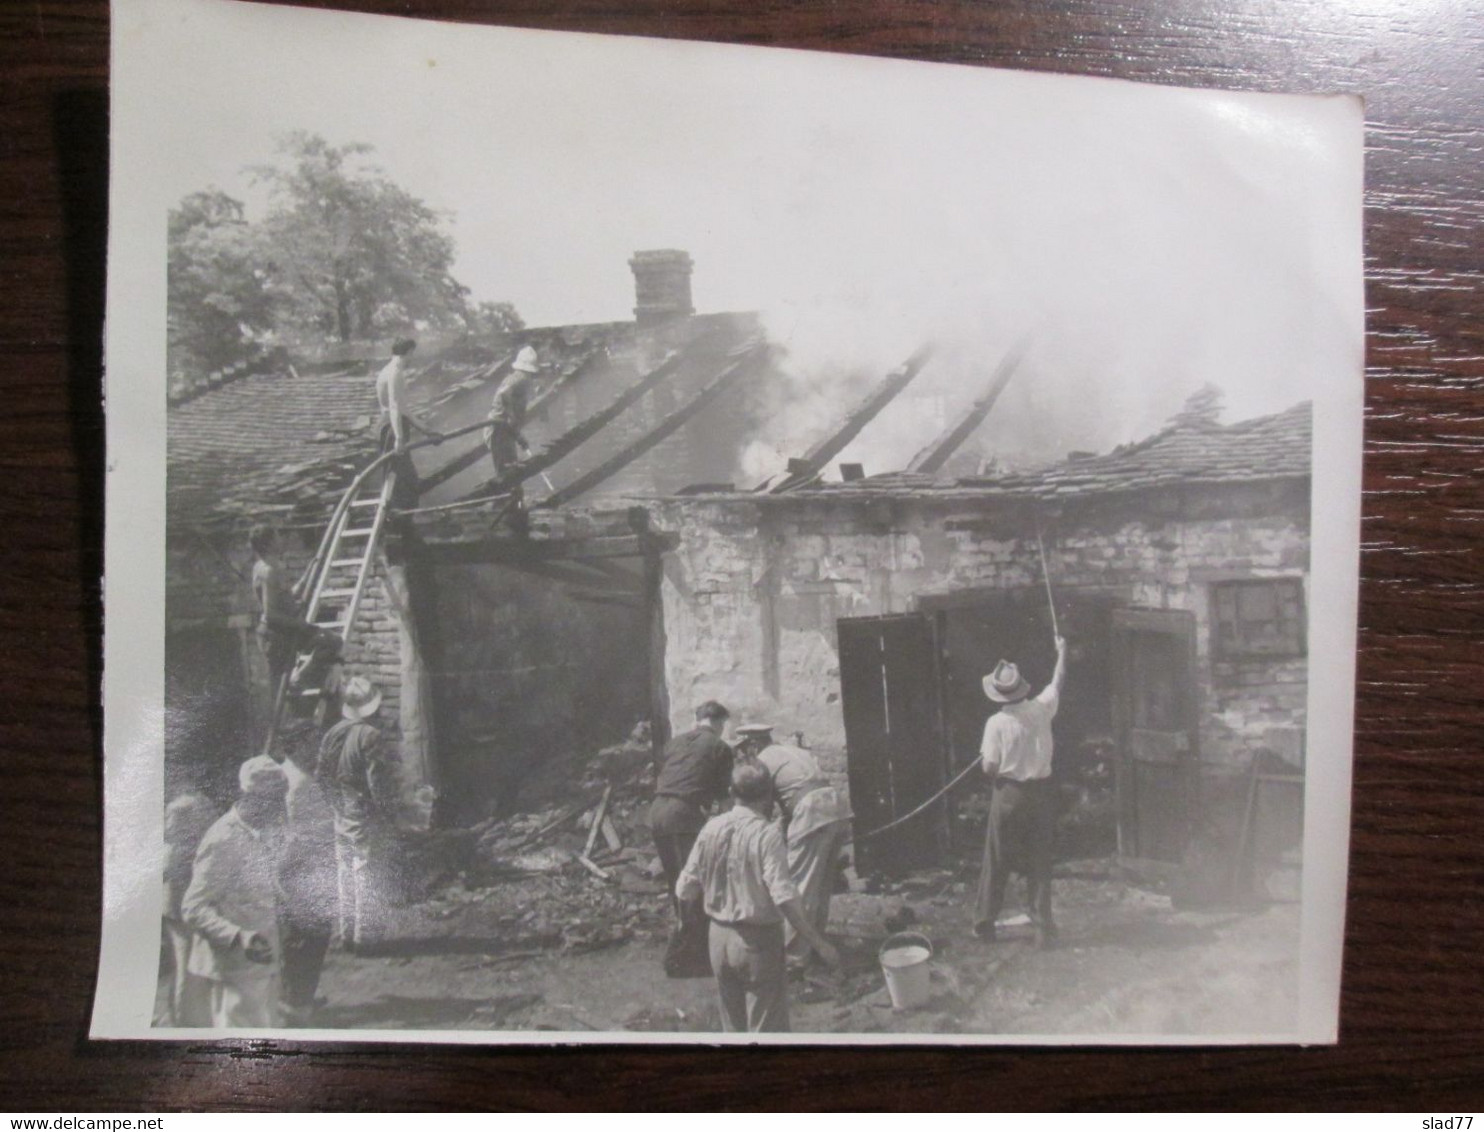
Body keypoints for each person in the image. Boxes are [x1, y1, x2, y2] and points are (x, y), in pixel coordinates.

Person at [676, 763, 842, 1032]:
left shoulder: (710, 828)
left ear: (732, 792)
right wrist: (819, 944)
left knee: (732, 1029)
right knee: (767, 1032)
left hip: (717, 938)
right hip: (757, 941)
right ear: (768, 795)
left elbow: (685, 889)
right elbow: (784, 897)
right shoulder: (767, 835)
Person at [973, 633, 1068, 948]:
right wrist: (1062, 651)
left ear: (999, 693)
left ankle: (985, 925)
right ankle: (1042, 930)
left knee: (997, 858)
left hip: (1010, 796)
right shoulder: (1041, 709)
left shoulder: (995, 724)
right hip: (1041, 794)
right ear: (1022, 687)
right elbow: (1058, 680)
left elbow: (989, 768)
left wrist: (989, 763)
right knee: (1040, 861)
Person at [181, 755, 288, 1028]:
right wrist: (238, 936)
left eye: (280, 798)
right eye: (271, 799)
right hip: (234, 966)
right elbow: (193, 907)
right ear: (248, 796)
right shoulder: (222, 839)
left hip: (265, 959)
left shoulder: (267, 829)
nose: (279, 807)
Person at [752, 730, 853, 970]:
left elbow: (763, 807)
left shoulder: (762, 761)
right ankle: (816, 944)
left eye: (745, 748)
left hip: (812, 811)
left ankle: (795, 958)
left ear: (753, 744)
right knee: (821, 886)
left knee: (799, 888)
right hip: (836, 806)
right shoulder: (794, 751)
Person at [650, 700, 734, 976]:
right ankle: (690, 955)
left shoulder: (673, 744)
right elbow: (725, 801)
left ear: (697, 719)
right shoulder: (720, 747)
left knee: (678, 881)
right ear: (720, 723)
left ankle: (686, 942)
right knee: (695, 881)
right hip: (683, 815)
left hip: (657, 812)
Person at [318, 675, 399, 952]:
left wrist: (334, 804)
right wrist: (386, 811)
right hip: (362, 811)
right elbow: (376, 781)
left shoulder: (332, 734)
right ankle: (365, 936)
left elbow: (321, 775)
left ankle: (345, 933)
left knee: (344, 872)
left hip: (340, 810)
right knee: (366, 870)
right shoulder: (370, 735)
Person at [275, 721, 338, 1025]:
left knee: (304, 937)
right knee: (307, 937)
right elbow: (296, 835)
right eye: (314, 742)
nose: (318, 748)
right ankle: (296, 1006)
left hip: (309, 865)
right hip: (306, 868)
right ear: (297, 745)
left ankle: (300, 997)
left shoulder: (292, 774)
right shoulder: (297, 783)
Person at [157, 793, 218, 1027]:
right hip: (180, 912)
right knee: (187, 968)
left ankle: (177, 1016)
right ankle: (185, 1022)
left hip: (173, 910)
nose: (206, 820)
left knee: (181, 966)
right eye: (201, 816)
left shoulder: (171, 847)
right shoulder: (181, 851)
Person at [250, 524, 318, 697]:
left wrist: (307, 575)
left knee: (281, 683)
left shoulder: (264, 567)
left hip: (277, 634)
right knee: (330, 644)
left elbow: (284, 597)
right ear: (268, 544)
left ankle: (294, 684)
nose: (282, 539)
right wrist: (300, 625)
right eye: (277, 536)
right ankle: (296, 681)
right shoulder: (269, 571)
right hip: (276, 635)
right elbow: (271, 614)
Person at [483, 345, 539, 529]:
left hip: (505, 431)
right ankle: (502, 519)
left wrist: (517, 434)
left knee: (511, 475)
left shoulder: (518, 378)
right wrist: (511, 416)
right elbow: (503, 393)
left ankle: (512, 515)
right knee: (507, 476)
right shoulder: (520, 378)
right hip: (499, 430)